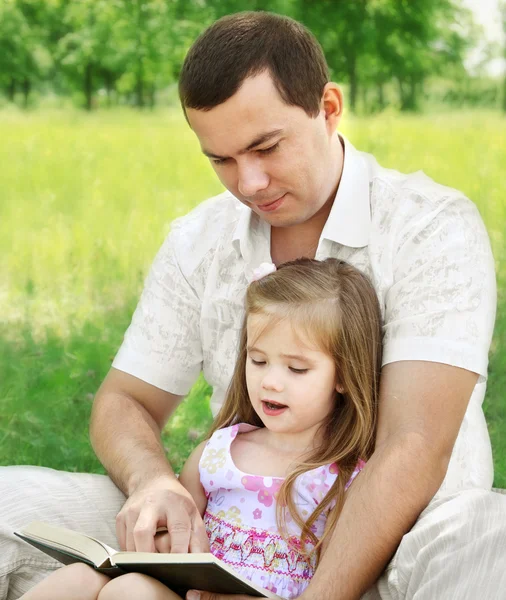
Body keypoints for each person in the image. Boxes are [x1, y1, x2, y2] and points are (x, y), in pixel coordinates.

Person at [1, 9, 505, 600]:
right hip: (231, 540)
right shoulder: (199, 240)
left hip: (404, 548)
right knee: (9, 500)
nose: (249, 183)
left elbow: (412, 447)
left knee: (490, 531)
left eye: (266, 147)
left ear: (329, 108)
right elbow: (125, 400)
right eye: (221, 159)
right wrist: (155, 484)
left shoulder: (430, 227)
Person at [20, 258, 383, 600]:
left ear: (345, 376)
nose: (270, 382)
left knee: (127, 593)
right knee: (81, 579)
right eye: (258, 361)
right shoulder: (219, 453)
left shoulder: (343, 477)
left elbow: (338, 579)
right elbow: (179, 543)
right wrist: (155, 545)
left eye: (297, 369)